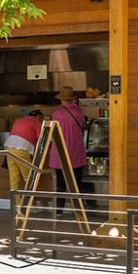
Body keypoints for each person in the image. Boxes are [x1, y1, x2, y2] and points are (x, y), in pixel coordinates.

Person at [49, 86, 92, 214]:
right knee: (77, 183)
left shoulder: (56, 113)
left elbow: (52, 132)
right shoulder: (79, 111)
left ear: (61, 100)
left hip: (59, 153)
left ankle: (59, 210)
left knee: (60, 184)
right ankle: (79, 211)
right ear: (73, 99)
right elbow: (83, 126)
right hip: (76, 152)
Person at [5, 108, 44, 206]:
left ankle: (16, 204)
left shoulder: (19, 120)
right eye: (41, 119)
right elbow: (41, 139)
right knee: (28, 177)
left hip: (9, 147)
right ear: (38, 116)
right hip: (21, 148)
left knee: (14, 178)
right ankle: (28, 205)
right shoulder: (35, 122)